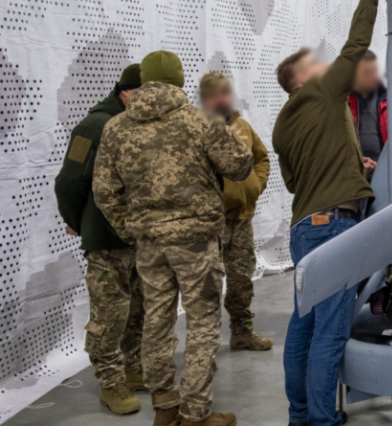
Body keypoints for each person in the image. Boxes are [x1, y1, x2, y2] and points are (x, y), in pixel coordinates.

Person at [93, 50, 253, 426]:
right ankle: (195, 413)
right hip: (196, 239)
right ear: (179, 80)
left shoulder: (115, 127)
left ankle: (165, 409)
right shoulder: (202, 121)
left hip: (149, 242)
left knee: (156, 321)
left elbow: (104, 191)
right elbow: (240, 165)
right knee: (202, 321)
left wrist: (131, 228)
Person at [272, 0, 385, 426]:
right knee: (329, 334)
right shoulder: (321, 93)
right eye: (313, 64)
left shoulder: (284, 124)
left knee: (302, 329)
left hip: (305, 228)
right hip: (334, 229)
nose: (323, 66)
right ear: (300, 79)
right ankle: (322, 419)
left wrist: (348, 165)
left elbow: (299, 180)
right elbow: (356, 44)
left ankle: (300, 415)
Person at [54, 63, 145, 416]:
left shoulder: (136, 123)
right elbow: (68, 182)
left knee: (138, 307)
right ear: (125, 92)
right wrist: (78, 222)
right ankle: (110, 382)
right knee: (110, 314)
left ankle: (133, 368)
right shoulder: (93, 126)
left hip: (136, 237)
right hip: (106, 239)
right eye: (142, 93)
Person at [198, 72, 273, 352]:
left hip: (243, 220)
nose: (221, 99)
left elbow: (262, 158)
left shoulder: (243, 125)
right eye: (214, 94)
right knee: (208, 285)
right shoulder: (198, 128)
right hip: (212, 224)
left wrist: (255, 185)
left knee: (242, 279)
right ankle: (205, 343)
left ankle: (242, 332)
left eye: (225, 92)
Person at [347, 49, 387, 179]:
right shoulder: (341, 99)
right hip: (351, 174)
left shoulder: (388, 99)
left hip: (383, 171)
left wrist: (380, 163)